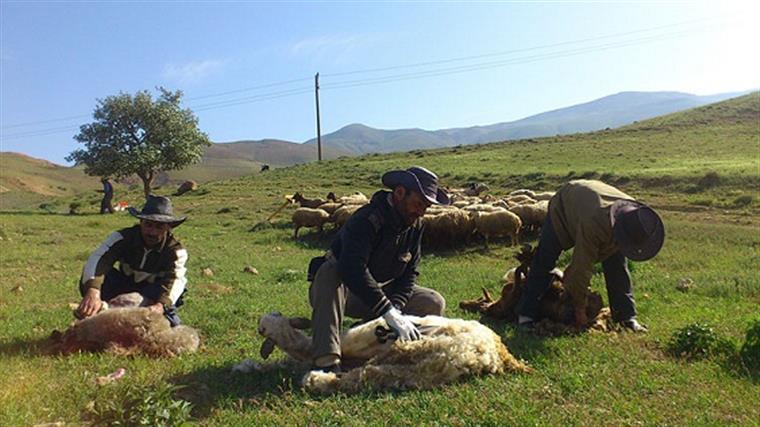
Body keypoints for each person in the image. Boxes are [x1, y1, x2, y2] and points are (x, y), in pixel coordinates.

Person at [308, 166, 450, 372]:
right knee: (331, 271)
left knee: (433, 302)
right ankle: (327, 360)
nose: (421, 212)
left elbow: (410, 273)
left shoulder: (415, 226)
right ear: (400, 193)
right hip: (342, 295)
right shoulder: (366, 220)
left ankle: (377, 340)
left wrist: (397, 308)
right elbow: (352, 269)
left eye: (426, 207)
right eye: (418, 203)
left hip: (379, 295)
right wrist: (388, 312)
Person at [515, 180, 665, 332]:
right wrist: (580, 309)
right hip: (565, 206)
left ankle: (626, 318)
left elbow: (593, 259)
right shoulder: (594, 223)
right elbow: (583, 265)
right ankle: (526, 315)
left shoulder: (634, 216)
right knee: (545, 259)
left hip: (598, 209)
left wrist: (572, 272)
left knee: (617, 265)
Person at [76, 195, 189, 326]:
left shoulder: (175, 251)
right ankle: (95, 308)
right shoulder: (121, 238)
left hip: (152, 292)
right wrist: (93, 291)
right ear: (140, 222)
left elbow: (175, 280)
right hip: (124, 285)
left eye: (159, 227)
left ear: (168, 228)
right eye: (148, 225)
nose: (152, 232)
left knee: (171, 324)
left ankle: (161, 315)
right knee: (95, 276)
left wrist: (160, 306)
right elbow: (100, 258)